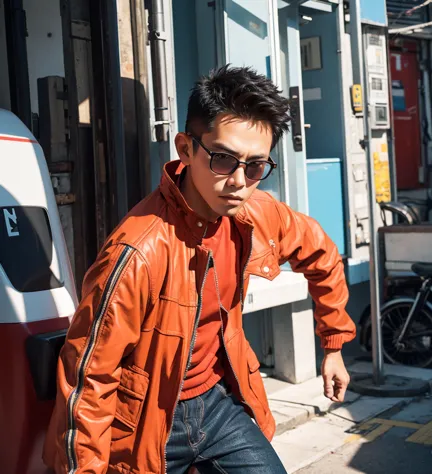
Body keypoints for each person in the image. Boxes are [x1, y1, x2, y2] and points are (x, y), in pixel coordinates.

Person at [44, 65, 356, 474]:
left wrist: (332, 345)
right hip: (146, 423)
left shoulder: (256, 213)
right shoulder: (138, 251)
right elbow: (89, 378)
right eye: (223, 159)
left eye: (256, 166)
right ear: (185, 148)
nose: (239, 181)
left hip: (218, 403)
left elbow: (322, 253)